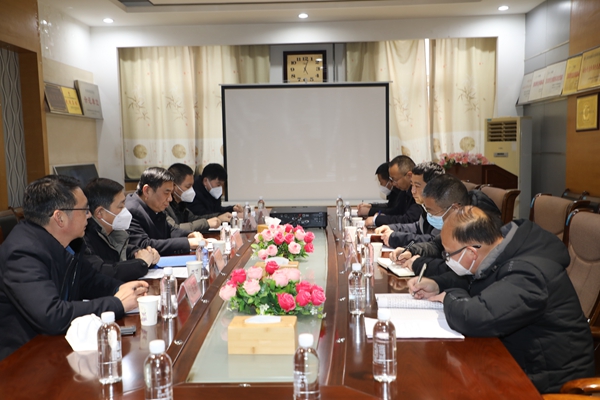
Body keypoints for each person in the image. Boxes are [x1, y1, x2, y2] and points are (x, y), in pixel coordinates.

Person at [408, 206, 594, 393]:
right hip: (518, 363)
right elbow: (475, 282)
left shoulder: (530, 274)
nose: (447, 259)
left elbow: (476, 318)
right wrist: (438, 285)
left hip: (550, 383)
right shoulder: (501, 251)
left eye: (448, 254)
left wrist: (449, 297)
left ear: (471, 253)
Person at [0, 175, 148, 361]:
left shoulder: (68, 243)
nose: (89, 215)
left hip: (56, 346)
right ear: (60, 217)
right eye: (85, 210)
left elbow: (90, 280)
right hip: (23, 359)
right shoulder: (22, 253)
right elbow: (52, 315)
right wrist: (117, 303)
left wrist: (121, 289)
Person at [389, 174, 502, 274]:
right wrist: (411, 250)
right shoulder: (459, 217)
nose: (429, 216)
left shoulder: (478, 224)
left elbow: (460, 270)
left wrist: (419, 264)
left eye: (432, 212)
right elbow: (437, 245)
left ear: (455, 208)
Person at [83, 178, 160, 281]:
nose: (125, 210)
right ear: (100, 213)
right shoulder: (84, 237)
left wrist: (142, 253)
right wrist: (141, 263)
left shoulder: (112, 231)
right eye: (120, 206)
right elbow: (103, 271)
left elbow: (122, 250)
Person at [126, 167, 204, 256]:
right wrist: (187, 243)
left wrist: (189, 234)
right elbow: (144, 245)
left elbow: (169, 230)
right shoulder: (131, 211)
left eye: (171, 193)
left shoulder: (154, 205)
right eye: (166, 193)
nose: (170, 199)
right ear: (147, 191)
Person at [375, 162, 445, 248]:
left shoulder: (444, 209)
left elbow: (432, 241)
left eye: (417, 186)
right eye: (412, 185)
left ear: (433, 187)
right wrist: (391, 227)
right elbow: (417, 227)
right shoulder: (426, 206)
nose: (413, 191)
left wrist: (395, 237)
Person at [166, 163, 227, 231]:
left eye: (192, 186)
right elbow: (175, 229)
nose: (191, 190)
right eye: (188, 187)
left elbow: (193, 219)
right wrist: (206, 223)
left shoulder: (181, 205)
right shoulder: (165, 206)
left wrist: (218, 217)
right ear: (173, 186)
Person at [365, 155, 422, 227]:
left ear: (409, 176)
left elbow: (409, 219)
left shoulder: (419, 192)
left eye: (395, 180)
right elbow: (396, 211)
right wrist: (382, 216)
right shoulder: (404, 191)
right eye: (392, 180)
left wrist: (376, 220)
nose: (393, 184)